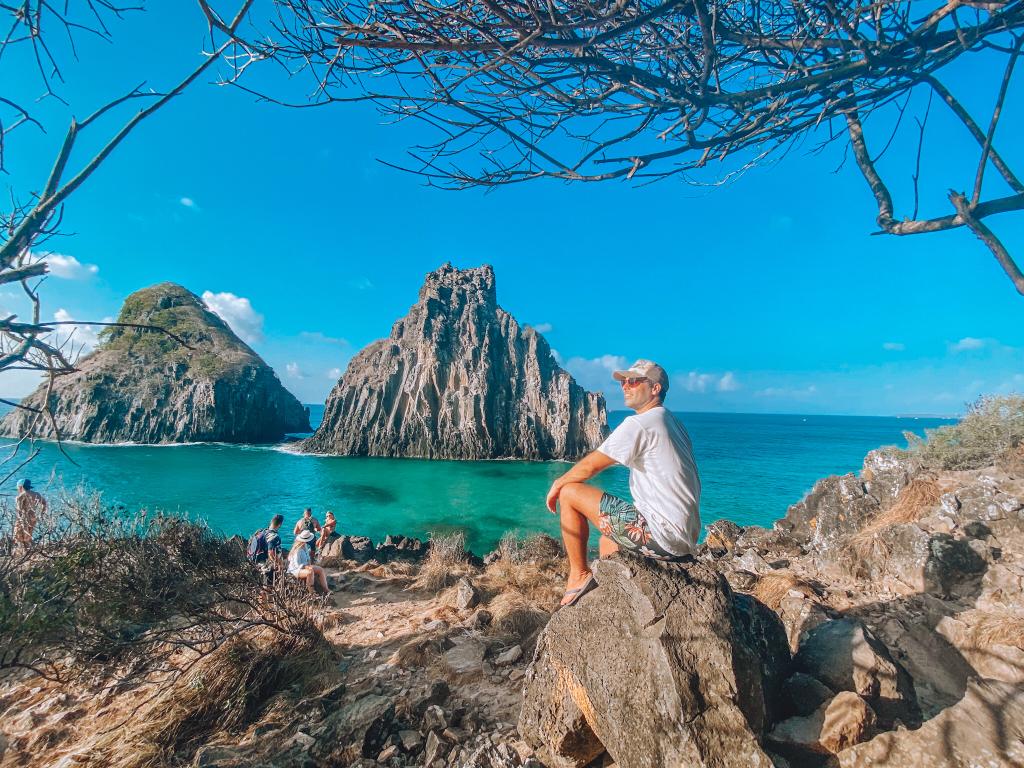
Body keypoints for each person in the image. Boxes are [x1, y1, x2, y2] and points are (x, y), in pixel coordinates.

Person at [545, 360, 701, 607]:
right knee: (607, 542)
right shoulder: (672, 422)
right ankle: (616, 597)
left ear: (655, 389)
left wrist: (558, 483)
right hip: (683, 540)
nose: (625, 386)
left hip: (660, 535)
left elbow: (589, 467)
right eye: (623, 381)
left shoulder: (640, 423)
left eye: (634, 380)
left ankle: (578, 576)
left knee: (570, 492)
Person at [288, 529, 329, 594]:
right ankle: (311, 593)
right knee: (310, 572)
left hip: (304, 566)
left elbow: (307, 558)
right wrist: (307, 567)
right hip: (295, 570)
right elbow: (297, 565)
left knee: (320, 570)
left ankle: (326, 589)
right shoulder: (297, 550)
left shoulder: (305, 546)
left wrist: (309, 565)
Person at [248, 514, 285, 585]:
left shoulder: (261, 532)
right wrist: (280, 564)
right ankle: (266, 592)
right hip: (265, 565)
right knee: (268, 585)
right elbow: (271, 553)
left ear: (271, 522)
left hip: (255, 561)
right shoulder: (274, 536)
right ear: (280, 524)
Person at [14, 479, 47, 551]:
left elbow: (19, 511)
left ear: (21, 487)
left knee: (19, 536)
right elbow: (44, 503)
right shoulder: (37, 494)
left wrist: (19, 520)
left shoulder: (19, 497)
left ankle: (25, 552)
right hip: (33, 517)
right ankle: (30, 550)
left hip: (24, 517)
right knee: (29, 535)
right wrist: (42, 514)